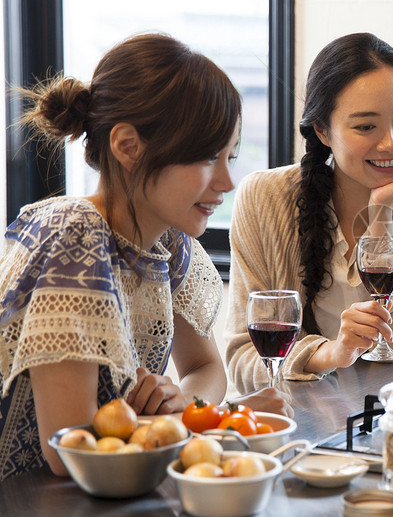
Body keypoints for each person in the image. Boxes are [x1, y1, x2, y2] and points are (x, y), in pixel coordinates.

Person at [0, 33, 290, 480]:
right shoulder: (74, 235)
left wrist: (180, 401)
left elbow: (205, 368)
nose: (228, 181)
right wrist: (221, 418)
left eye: (230, 155)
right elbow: (68, 451)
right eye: (209, 157)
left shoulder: (166, 238)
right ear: (128, 146)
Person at [225, 32, 393, 388]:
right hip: (289, 417)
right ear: (323, 131)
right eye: (366, 126)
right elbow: (243, 360)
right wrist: (332, 353)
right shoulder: (261, 197)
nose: (391, 143)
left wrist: (382, 211)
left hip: (379, 416)